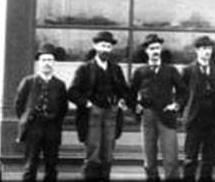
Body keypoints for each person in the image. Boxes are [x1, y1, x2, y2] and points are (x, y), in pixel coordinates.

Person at [69, 31, 133, 181]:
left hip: (111, 114)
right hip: (92, 115)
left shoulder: (115, 69)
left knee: (108, 152)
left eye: (108, 46)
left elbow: (124, 90)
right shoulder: (84, 69)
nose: (105, 49)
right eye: (103, 46)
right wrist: (87, 103)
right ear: (95, 46)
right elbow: (72, 92)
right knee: (93, 151)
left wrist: (123, 100)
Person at [132, 34, 188, 181]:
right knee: (149, 158)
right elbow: (130, 93)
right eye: (152, 48)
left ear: (161, 49)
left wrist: (176, 105)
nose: (155, 51)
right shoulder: (140, 72)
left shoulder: (171, 71)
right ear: (146, 51)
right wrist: (136, 106)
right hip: (148, 117)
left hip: (166, 116)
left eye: (157, 48)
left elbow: (183, 92)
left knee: (171, 157)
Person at [15, 43, 70, 182]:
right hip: (33, 127)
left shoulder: (60, 85)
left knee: (51, 165)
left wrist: (55, 122)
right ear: (38, 62)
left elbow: (63, 108)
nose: (47, 63)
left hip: (52, 128)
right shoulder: (28, 82)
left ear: (54, 63)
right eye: (44, 60)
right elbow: (19, 106)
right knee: (30, 165)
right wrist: (27, 121)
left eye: (50, 60)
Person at [182, 35, 215, 182]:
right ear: (197, 51)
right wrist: (184, 113)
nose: (207, 52)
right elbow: (183, 95)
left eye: (209, 49)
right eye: (204, 49)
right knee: (190, 157)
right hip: (194, 119)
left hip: (212, 120)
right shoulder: (188, 71)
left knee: (209, 157)